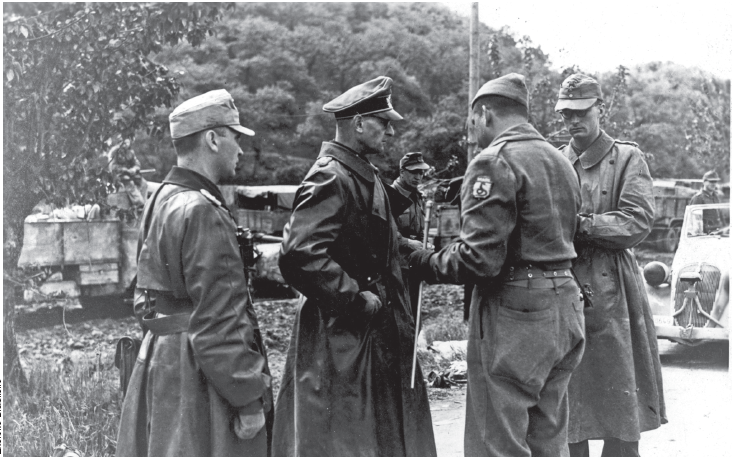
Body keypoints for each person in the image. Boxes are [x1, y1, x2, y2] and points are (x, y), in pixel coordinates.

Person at [408, 73, 585, 456]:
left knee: (496, 442)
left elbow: (480, 261)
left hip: (516, 314)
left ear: (485, 113)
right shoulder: (561, 161)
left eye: (471, 123)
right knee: (548, 437)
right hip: (566, 308)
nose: (472, 133)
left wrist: (424, 261)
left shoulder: (493, 162)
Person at [273, 76, 436, 457]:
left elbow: (385, 242)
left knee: (378, 436)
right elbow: (299, 253)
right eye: (384, 122)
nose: (391, 131)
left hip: (370, 335)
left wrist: (425, 256)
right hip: (342, 338)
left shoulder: (360, 172)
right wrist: (354, 298)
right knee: (348, 440)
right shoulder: (331, 174)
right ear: (359, 123)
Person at [116, 89, 273, 457]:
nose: (241, 149)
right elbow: (220, 316)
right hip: (200, 375)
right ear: (213, 139)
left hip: (162, 360)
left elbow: (144, 299)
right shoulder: (204, 210)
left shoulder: (161, 198)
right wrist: (249, 400)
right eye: (235, 137)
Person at [554, 73, 667, 457]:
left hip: (613, 289)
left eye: (582, 111)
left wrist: (583, 225)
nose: (573, 120)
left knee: (619, 398)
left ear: (601, 109)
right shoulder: (555, 160)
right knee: (569, 403)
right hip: (565, 286)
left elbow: (636, 222)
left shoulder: (628, 157)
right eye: (566, 113)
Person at [390, 152, 431, 321]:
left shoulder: (417, 196)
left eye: (421, 173)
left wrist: (425, 242)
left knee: (415, 313)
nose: (418, 176)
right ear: (402, 172)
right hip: (395, 267)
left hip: (414, 264)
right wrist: (408, 243)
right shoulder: (389, 195)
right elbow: (384, 230)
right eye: (414, 172)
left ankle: (412, 346)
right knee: (400, 316)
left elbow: (420, 226)